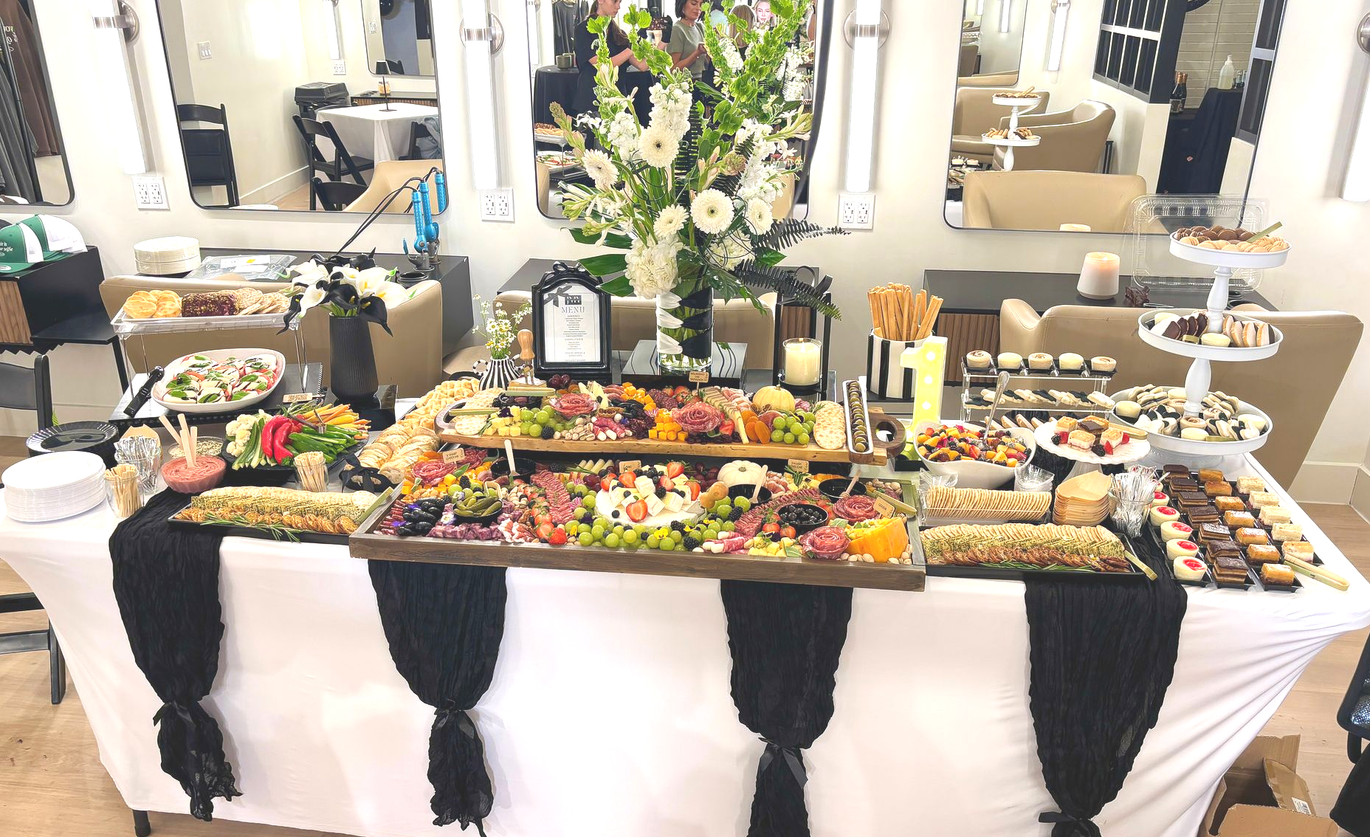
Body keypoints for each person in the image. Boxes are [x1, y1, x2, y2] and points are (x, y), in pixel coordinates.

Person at [573, 0, 650, 117]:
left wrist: (663, 42)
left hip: (618, 103)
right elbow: (601, 65)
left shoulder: (618, 34)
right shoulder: (583, 30)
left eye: (620, 2)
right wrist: (631, 48)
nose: (618, 6)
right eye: (615, 1)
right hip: (592, 103)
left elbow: (642, 65)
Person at [668, 0, 711, 82]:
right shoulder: (677, 29)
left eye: (701, 4)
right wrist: (697, 53)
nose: (698, 8)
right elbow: (673, 69)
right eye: (694, 3)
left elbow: (707, 61)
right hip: (687, 83)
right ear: (682, 4)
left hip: (704, 80)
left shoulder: (701, 27)